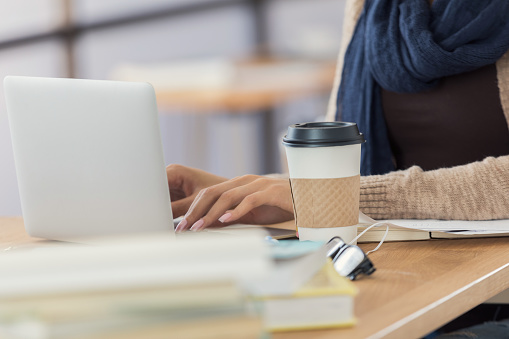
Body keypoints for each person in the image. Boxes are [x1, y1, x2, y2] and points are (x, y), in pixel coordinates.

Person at [169, 0, 509, 233]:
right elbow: (341, 171)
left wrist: (340, 196)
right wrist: (244, 195)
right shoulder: (374, 8)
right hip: (396, 261)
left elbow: (350, 189)